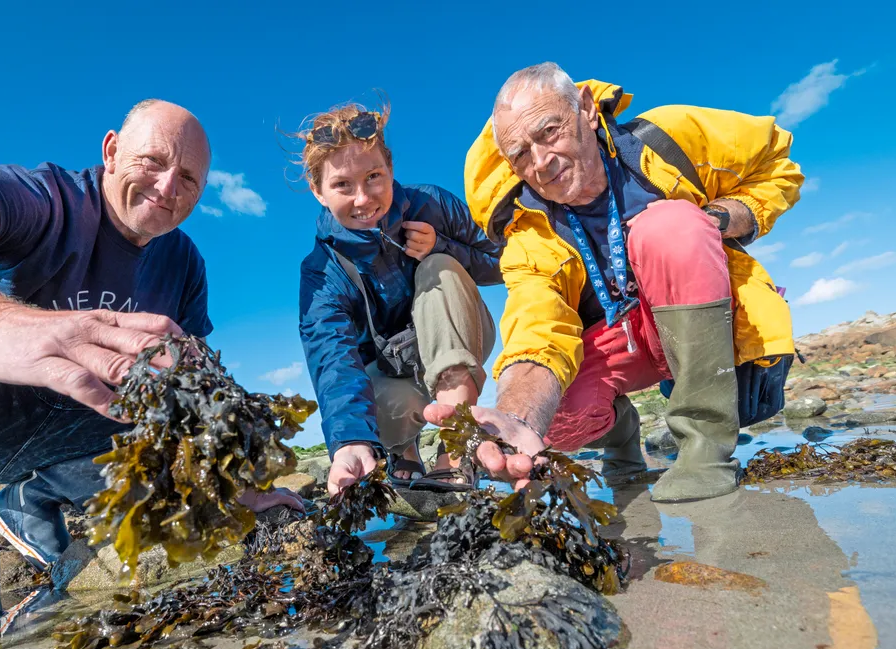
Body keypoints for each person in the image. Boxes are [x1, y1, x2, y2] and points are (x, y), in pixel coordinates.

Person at [0, 99, 297, 649]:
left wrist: (237, 485)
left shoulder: (184, 263)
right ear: (110, 151)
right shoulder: (45, 200)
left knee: (178, 517)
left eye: (190, 178)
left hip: (83, 424)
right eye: (151, 160)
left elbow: (195, 390)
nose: (168, 185)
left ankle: (29, 497)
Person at [426, 63, 801, 502]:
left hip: (701, 322)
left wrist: (724, 218)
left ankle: (706, 447)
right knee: (555, 418)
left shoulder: (669, 139)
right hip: (615, 341)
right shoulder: (529, 237)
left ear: (584, 108)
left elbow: (778, 162)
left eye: (549, 131)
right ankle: (623, 432)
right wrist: (519, 415)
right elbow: (536, 326)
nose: (541, 162)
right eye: (521, 154)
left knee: (670, 226)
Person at [296, 103, 503, 498]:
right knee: (375, 405)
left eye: (374, 176)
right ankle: (402, 449)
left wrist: (441, 246)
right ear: (318, 192)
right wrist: (350, 443)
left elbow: (502, 261)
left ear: (390, 169)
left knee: (439, 265)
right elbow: (332, 360)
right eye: (342, 185)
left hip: (460, 338)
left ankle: (457, 446)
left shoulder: (432, 204)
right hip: (391, 379)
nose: (363, 199)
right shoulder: (321, 272)